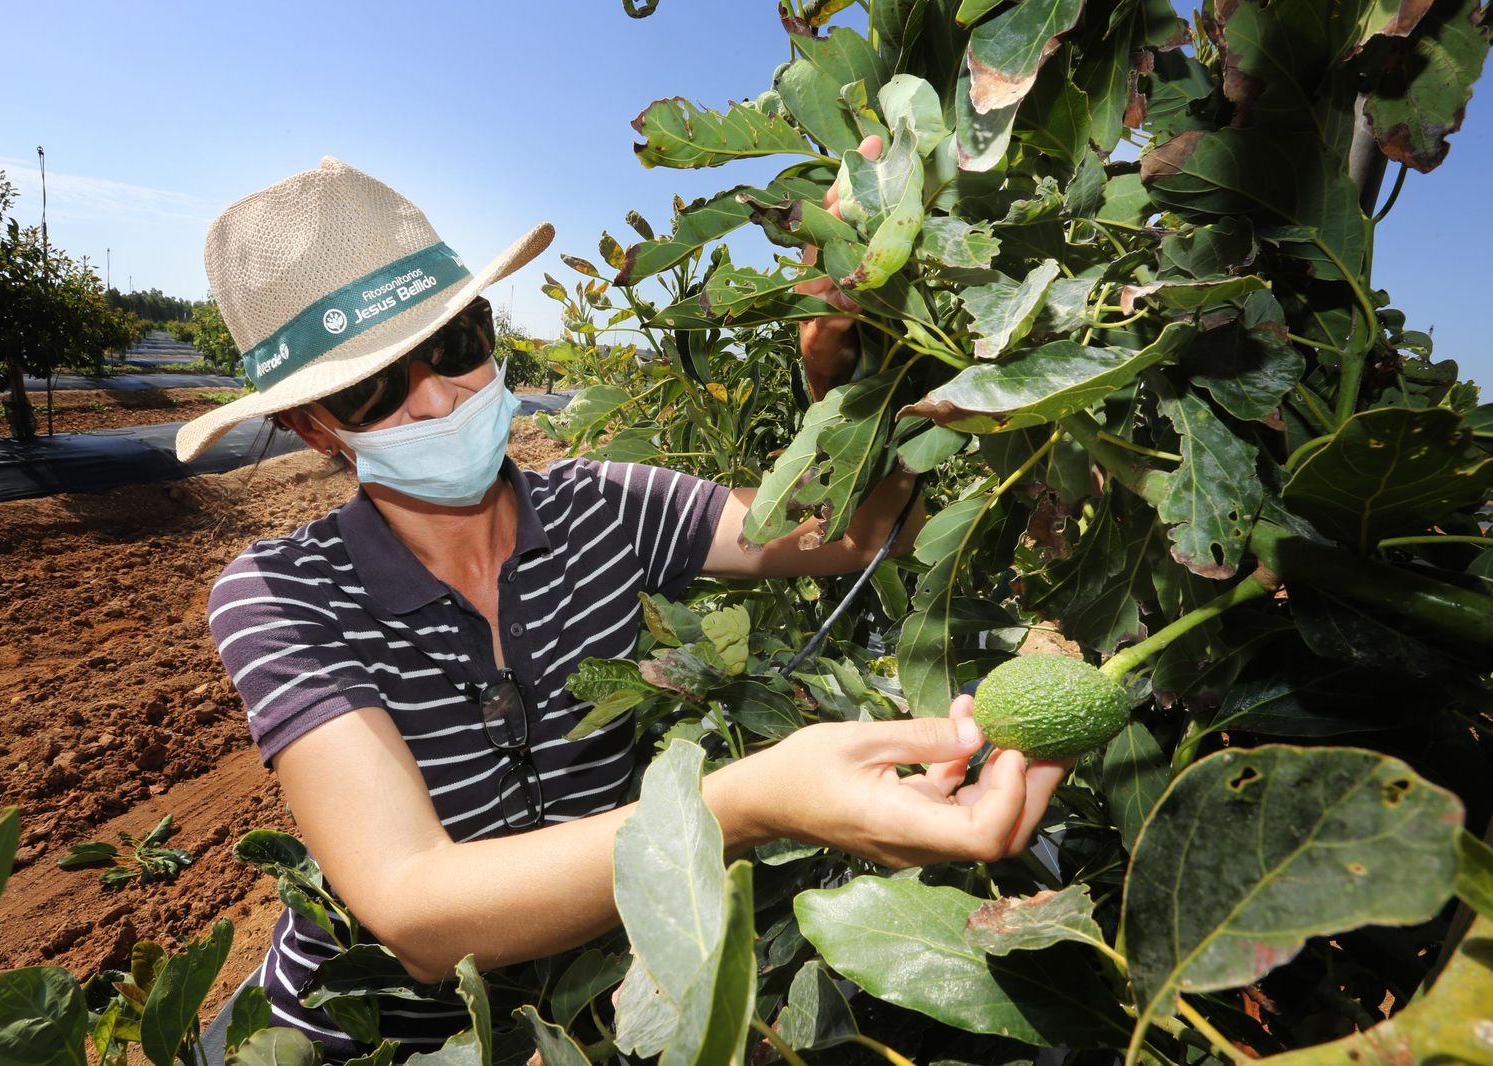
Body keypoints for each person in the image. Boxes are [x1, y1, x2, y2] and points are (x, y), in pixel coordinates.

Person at [177, 156, 1068, 1059]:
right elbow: (416, 909)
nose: (439, 397)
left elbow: (865, 530)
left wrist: (848, 367)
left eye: (454, 346)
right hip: (361, 1042)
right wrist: (748, 803)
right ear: (312, 426)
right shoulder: (281, 594)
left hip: (585, 1011)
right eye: (372, 387)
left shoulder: (605, 505)